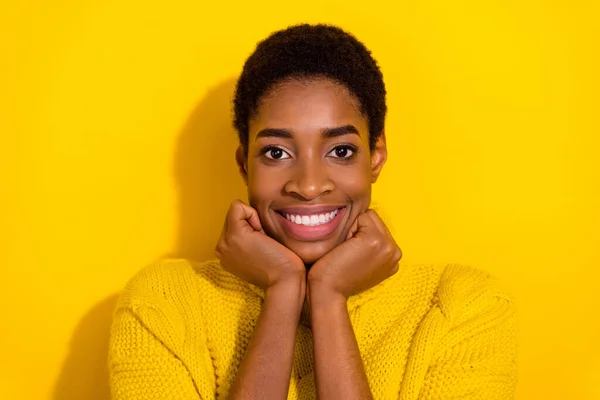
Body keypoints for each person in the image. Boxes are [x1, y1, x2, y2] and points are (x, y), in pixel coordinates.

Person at [108, 24, 517, 400]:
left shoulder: (463, 307)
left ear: (375, 157)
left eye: (341, 151)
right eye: (276, 152)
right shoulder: (162, 305)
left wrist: (328, 298)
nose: (307, 185)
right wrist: (283, 292)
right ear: (244, 163)